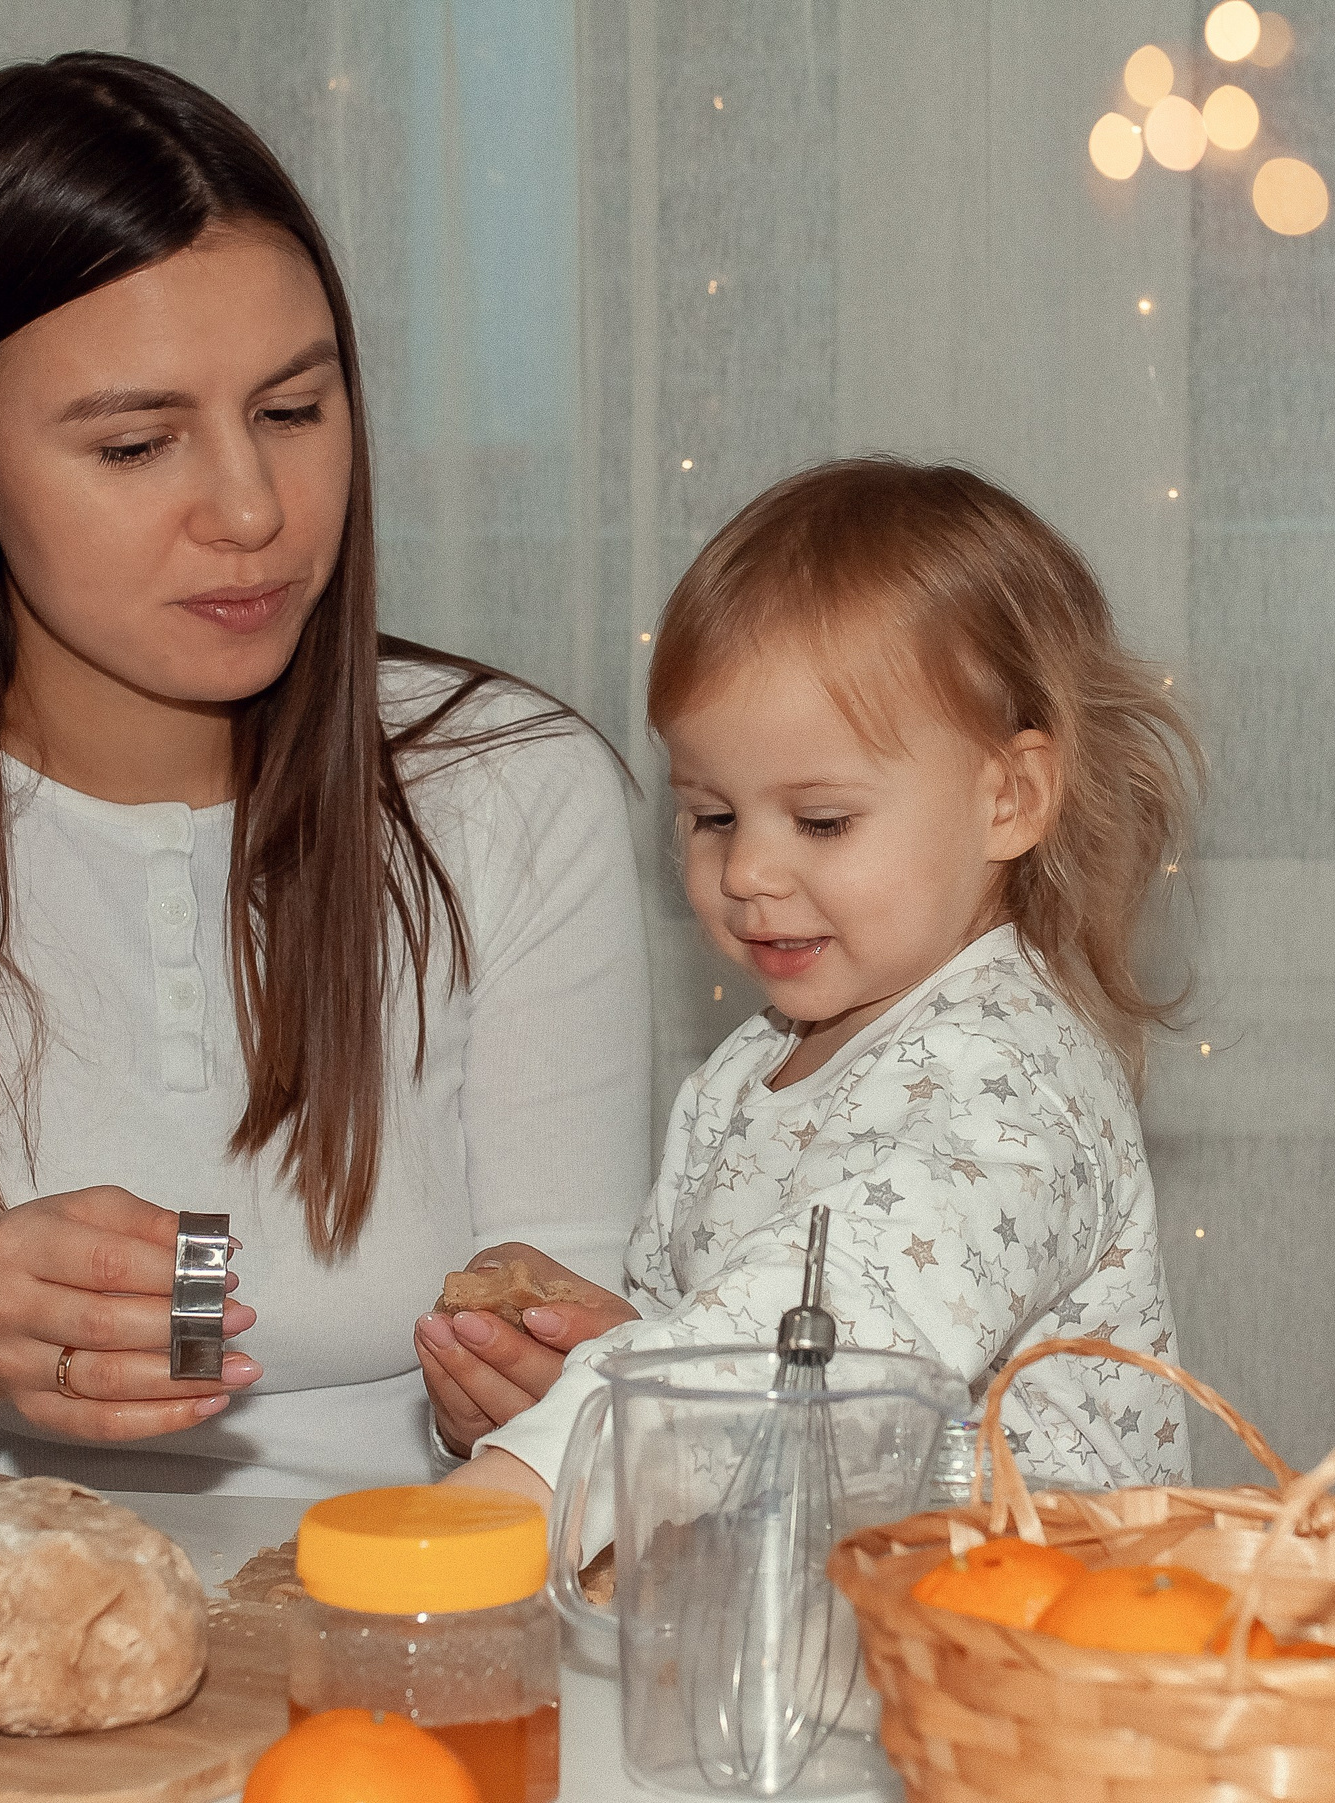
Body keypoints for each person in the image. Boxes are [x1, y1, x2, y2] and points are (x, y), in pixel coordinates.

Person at [0, 53, 649, 1498]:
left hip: (401, 1636)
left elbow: (588, 1389)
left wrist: (538, 1393)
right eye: (138, 442)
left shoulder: (508, 785)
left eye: (293, 411)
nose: (254, 510)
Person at [422, 458, 1199, 1506]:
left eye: (821, 821)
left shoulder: (1012, 1079)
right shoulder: (750, 1068)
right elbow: (716, 1361)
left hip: (1021, 1636)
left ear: (1009, 798)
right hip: (809, 1617)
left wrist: (533, 1478)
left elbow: (834, 1329)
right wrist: (558, 1384)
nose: (745, 873)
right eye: (713, 815)